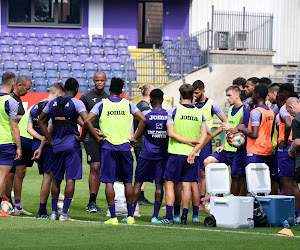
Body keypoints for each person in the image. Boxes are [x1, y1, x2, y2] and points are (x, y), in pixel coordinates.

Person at [84, 77, 146, 225]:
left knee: (109, 182)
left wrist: (96, 136)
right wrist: (135, 138)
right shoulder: (128, 104)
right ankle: (130, 216)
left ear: (110, 89)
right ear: (121, 91)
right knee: (127, 182)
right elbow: (143, 120)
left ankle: (113, 218)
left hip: (108, 147)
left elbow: (87, 121)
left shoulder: (102, 104)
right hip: (125, 146)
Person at [38, 78, 88, 221]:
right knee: (70, 179)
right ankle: (64, 213)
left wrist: (49, 139)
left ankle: (54, 212)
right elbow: (86, 121)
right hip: (72, 145)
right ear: (76, 89)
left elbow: (41, 121)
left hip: (56, 146)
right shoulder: (77, 102)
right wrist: (81, 137)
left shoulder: (53, 102)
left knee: (56, 179)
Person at [157, 84, 207, 225]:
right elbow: (204, 135)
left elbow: (171, 133)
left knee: (170, 184)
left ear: (180, 95)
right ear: (192, 96)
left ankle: (170, 217)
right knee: (187, 186)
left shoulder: (173, 111)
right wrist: (194, 150)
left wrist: (186, 142)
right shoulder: (199, 113)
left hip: (176, 153)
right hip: (192, 156)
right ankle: (184, 217)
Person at [131, 89, 169, 223]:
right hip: (162, 156)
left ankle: (131, 215)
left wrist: (133, 140)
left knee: (137, 183)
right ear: (163, 100)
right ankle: (154, 217)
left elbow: (138, 133)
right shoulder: (168, 115)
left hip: (146, 154)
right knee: (159, 186)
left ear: (151, 100)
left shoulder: (145, 115)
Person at [28, 82, 65, 218]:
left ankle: (48, 209)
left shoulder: (35, 106)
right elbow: (49, 129)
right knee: (49, 177)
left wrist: (39, 140)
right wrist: (45, 141)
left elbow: (29, 129)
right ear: (58, 94)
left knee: (47, 176)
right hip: (48, 147)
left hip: (37, 146)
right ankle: (42, 210)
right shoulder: (54, 108)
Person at [192, 80, 227, 209]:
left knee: (203, 172)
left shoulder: (212, 104)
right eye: (193, 93)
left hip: (205, 142)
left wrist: (213, 134)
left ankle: (201, 201)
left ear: (203, 90)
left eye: (197, 93)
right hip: (191, 140)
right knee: (190, 171)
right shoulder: (191, 104)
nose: (195, 95)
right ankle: (191, 200)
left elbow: (225, 121)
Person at [204, 86, 244, 195]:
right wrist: (222, 144)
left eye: (229, 95)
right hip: (226, 149)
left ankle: (232, 199)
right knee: (207, 161)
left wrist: (230, 128)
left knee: (236, 177)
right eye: (227, 95)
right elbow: (227, 129)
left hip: (236, 151)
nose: (227, 98)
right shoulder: (231, 108)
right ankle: (216, 193)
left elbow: (242, 129)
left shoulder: (244, 110)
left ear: (237, 95)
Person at [79, 72, 109, 213]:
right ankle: (91, 202)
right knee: (95, 167)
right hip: (90, 138)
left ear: (105, 81)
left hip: (106, 138)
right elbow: (79, 116)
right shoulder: (86, 97)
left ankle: (94, 202)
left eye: (101, 80)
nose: (99, 82)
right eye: (97, 80)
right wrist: (89, 128)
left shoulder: (109, 99)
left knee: (102, 169)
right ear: (93, 81)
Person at [4, 75, 31, 208]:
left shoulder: (18, 100)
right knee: (8, 173)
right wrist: (26, 117)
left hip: (13, 140)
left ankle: (9, 200)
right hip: (8, 140)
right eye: (26, 88)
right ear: (18, 85)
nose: (28, 91)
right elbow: (12, 120)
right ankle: (6, 199)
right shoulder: (10, 99)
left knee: (13, 172)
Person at [276, 84, 300, 223]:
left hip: (289, 146)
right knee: (295, 183)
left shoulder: (285, 108)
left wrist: (285, 142)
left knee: (287, 183)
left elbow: (288, 124)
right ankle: (297, 214)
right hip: (294, 144)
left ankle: (291, 214)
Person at [237, 84, 274, 170]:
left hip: (255, 151)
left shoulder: (256, 112)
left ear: (257, 96)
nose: (251, 96)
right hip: (267, 150)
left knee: (253, 182)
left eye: (253, 94)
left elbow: (254, 134)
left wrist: (243, 129)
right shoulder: (270, 111)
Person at [0, 72, 22, 217]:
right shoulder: (11, 101)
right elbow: (14, 126)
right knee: (2, 176)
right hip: (6, 142)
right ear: (13, 83)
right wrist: (19, 147)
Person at [133, 83, 155, 205]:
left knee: (142, 168)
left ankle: (139, 195)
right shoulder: (145, 106)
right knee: (143, 169)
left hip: (139, 141)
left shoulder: (140, 104)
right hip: (142, 141)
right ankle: (138, 196)